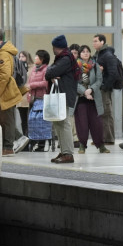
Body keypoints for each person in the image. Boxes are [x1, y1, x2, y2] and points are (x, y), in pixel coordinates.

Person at [0, 26, 29, 156]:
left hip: (6, 91)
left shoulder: (3, 53)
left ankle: (8, 147)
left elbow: (5, 75)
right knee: (3, 119)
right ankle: (18, 138)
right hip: (5, 90)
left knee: (7, 119)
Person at [45, 35, 78, 163]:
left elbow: (49, 72)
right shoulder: (62, 58)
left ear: (57, 47)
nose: (52, 49)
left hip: (65, 95)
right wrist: (52, 73)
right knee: (58, 123)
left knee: (64, 123)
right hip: (61, 94)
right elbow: (50, 71)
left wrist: (51, 73)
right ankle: (63, 151)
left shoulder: (65, 59)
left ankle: (68, 153)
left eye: (53, 47)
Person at [75, 45, 108, 154]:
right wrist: (84, 92)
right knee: (82, 124)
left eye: (87, 51)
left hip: (94, 98)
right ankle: (82, 145)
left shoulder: (95, 65)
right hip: (80, 99)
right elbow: (74, 82)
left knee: (97, 123)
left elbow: (99, 80)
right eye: (83, 51)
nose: (85, 53)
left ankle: (101, 145)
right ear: (79, 54)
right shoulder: (75, 66)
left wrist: (91, 89)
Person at [92, 34, 122, 147]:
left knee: (106, 113)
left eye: (96, 41)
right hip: (98, 88)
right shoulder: (98, 54)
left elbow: (113, 74)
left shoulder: (107, 55)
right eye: (93, 41)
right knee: (100, 113)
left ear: (102, 42)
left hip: (104, 89)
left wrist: (105, 86)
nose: (94, 43)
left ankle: (108, 138)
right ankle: (101, 137)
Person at [25, 50, 50, 152]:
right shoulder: (34, 69)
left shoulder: (46, 69)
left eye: (37, 57)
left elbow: (45, 83)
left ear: (42, 59)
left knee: (41, 122)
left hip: (42, 98)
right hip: (33, 98)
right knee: (31, 121)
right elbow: (29, 82)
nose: (35, 58)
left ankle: (41, 144)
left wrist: (32, 85)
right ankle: (31, 142)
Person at [16, 50, 33, 146]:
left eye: (23, 56)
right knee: (23, 120)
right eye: (20, 56)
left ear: (27, 57)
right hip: (21, 97)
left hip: (30, 96)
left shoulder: (32, 68)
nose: (21, 58)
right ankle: (25, 141)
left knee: (30, 120)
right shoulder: (17, 67)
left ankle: (31, 139)